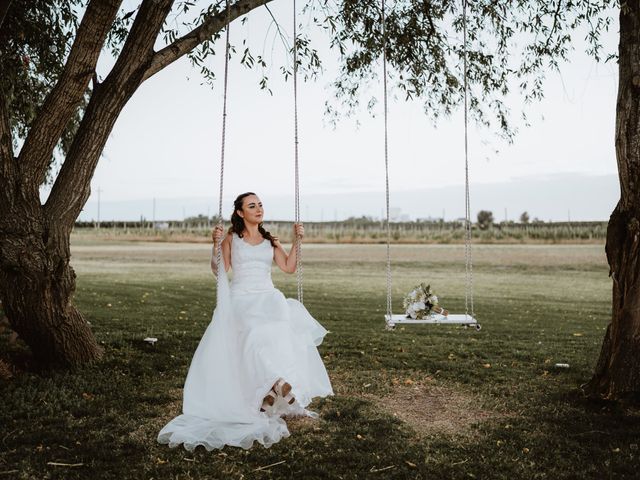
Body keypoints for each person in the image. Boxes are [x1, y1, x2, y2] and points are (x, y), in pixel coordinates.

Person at [158, 192, 333, 451]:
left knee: (279, 323)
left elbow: (288, 267)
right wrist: (214, 245)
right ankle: (273, 385)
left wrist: (298, 240)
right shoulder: (231, 239)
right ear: (240, 213)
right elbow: (221, 270)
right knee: (252, 333)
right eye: (252, 206)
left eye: (260, 204)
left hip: (267, 296)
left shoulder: (269, 240)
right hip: (241, 298)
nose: (258, 208)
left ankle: (274, 388)